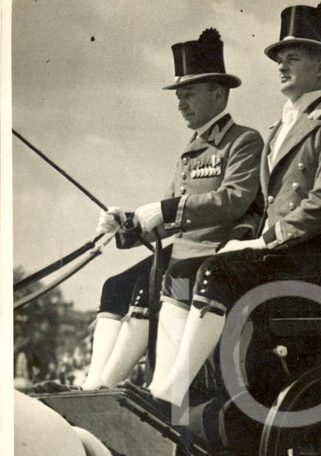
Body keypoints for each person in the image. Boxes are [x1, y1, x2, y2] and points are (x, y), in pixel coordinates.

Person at [144, 3, 321, 410]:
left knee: (214, 270)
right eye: (280, 60)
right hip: (283, 252)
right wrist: (242, 236)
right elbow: (262, 205)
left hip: (319, 255)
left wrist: (264, 241)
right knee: (180, 271)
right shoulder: (277, 129)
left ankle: (175, 390)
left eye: (292, 59)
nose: (281, 67)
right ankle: (161, 385)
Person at [81, 29, 263, 390]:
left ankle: (126, 389)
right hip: (181, 251)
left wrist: (164, 212)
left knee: (153, 282)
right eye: (179, 96)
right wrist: (125, 224)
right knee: (115, 286)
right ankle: (93, 386)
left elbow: (234, 199)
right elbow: (162, 217)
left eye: (189, 94)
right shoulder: (191, 150)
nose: (181, 104)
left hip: (216, 252)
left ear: (218, 93)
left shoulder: (244, 141)